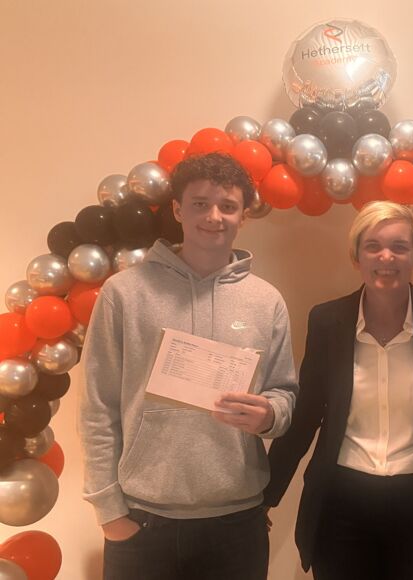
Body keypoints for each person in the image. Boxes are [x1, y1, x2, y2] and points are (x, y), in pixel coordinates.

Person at [79, 152, 298, 580]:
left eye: (228, 206)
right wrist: (109, 512)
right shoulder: (124, 293)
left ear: (243, 216)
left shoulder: (266, 300)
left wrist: (271, 414)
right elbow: (97, 406)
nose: (214, 217)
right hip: (142, 522)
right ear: (178, 209)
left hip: (237, 522)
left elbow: (284, 392)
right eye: (200, 204)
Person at [263, 201, 413, 580]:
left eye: (400, 247)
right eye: (373, 246)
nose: (387, 257)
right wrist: (265, 498)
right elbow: (306, 416)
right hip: (340, 502)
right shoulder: (327, 320)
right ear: (357, 257)